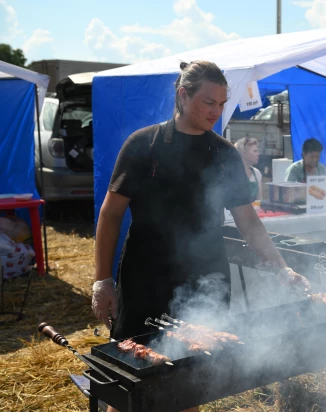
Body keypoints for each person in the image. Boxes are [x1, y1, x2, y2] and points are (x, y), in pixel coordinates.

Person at [92, 61, 310, 412]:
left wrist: (281, 268)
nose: (217, 111)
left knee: (188, 386)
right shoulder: (143, 145)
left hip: (204, 281)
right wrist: (102, 280)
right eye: (209, 102)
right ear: (183, 94)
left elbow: (249, 222)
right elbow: (110, 213)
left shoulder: (224, 154)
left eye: (222, 103)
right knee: (131, 386)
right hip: (144, 279)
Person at [234, 137, 262, 201]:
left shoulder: (257, 173)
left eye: (257, 151)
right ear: (244, 154)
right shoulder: (232, 173)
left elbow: (259, 200)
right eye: (255, 151)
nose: (258, 154)